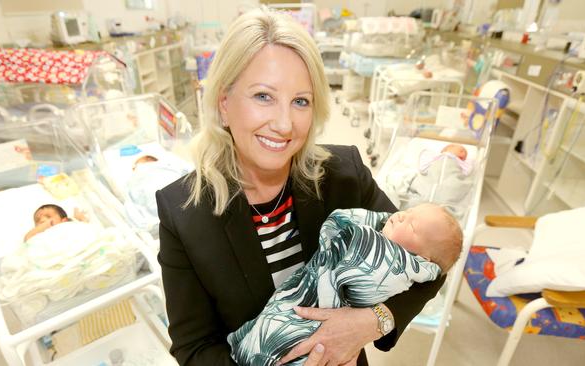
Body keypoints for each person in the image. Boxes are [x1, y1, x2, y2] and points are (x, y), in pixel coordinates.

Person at [155, 8, 445, 366]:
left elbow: (432, 260)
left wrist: (371, 322)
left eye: (300, 101)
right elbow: (194, 347)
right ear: (224, 103)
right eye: (263, 96)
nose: (284, 123)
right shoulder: (184, 213)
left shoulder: (344, 176)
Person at [228, 204, 462, 365]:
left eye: (412, 226)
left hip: (312, 327)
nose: (401, 215)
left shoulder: (394, 264)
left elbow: (363, 283)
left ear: (422, 259)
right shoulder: (392, 229)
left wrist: (375, 319)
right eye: (408, 212)